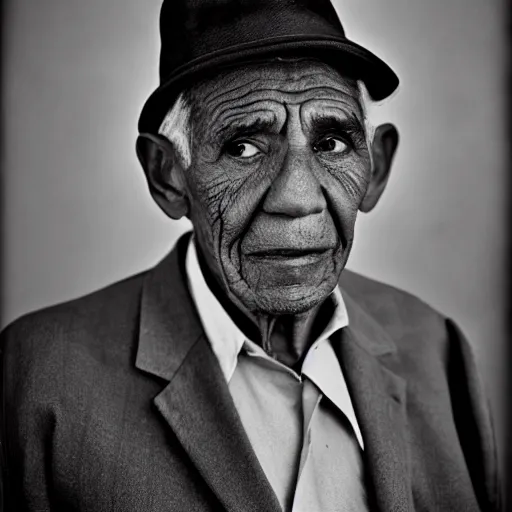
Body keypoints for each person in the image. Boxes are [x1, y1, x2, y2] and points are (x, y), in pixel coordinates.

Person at [0, 0, 500, 510]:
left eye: (331, 142)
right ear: (168, 175)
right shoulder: (38, 376)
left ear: (375, 171)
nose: (298, 197)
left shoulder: (435, 349)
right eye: (244, 147)